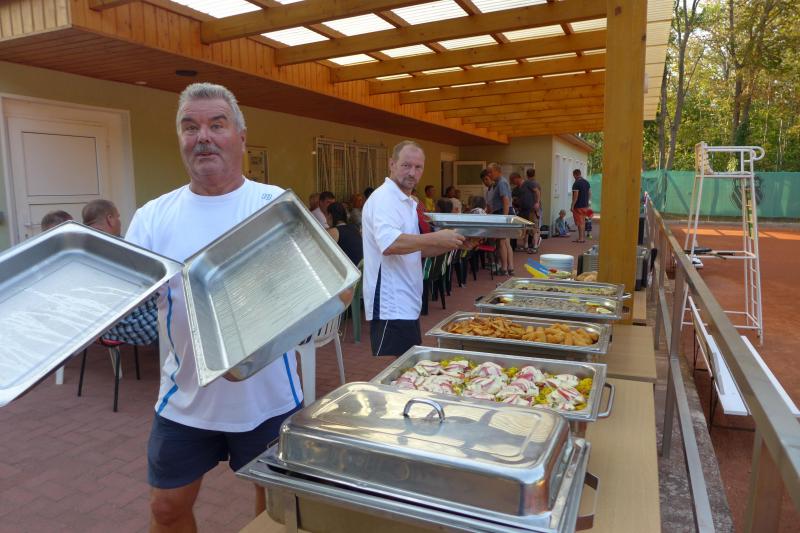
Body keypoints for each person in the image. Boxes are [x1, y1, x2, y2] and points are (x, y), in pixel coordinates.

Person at [124, 82, 303, 532]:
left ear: (241, 137)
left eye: (216, 125)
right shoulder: (152, 217)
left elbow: (311, 290)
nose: (203, 136)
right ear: (181, 139)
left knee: (274, 512)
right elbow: (127, 296)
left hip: (267, 399)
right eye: (191, 127)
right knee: (166, 508)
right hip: (185, 398)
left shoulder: (275, 205)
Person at [362, 140, 465, 357]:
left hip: (407, 300)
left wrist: (452, 243)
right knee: (399, 369)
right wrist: (436, 237)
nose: (412, 172)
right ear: (391, 164)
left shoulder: (406, 201)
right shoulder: (384, 198)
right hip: (392, 301)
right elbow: (390, 244)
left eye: (418, 167)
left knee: (406, 366)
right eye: (406, 165)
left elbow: (418, 249)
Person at [487, 162, 514, 276]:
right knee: (506, 242)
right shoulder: (499, 182)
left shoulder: (501, 183)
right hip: (503, 213)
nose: (489, 174)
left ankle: (504, 268)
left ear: (497, 171)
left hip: (502, 213)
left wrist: (504, 218)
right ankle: (510, 267)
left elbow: (506, 201)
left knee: (502, 242)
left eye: (490, 172)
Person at [511, 172, 539, 253]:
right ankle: (525, 246)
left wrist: (537, 202)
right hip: (522, 210)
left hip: (530, 210)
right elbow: (514, 198)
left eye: (513, 180)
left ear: (517, 178)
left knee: (533, 228)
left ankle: (535, 246)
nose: (513, 182)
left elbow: (537, 191)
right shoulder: (516, 189)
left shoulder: (528, 183)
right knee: (524, 229)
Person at [327, 202, 363, 266]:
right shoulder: (354, 228)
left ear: (330, 216)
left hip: (352, 268)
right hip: (362, 266)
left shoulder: (334, 231)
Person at [571, 169, 591, 243]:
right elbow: (589, 193)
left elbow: (575, 196)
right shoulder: (586, 182)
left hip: (578, 206)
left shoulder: (576, 183)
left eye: (573, 175)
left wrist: (572, 205)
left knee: (580, 222)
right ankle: (581, 237)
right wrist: (588, 202)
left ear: (575, 175)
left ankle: (581, 238)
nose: (573, 177)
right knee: (583, 221)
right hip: (585, 205)